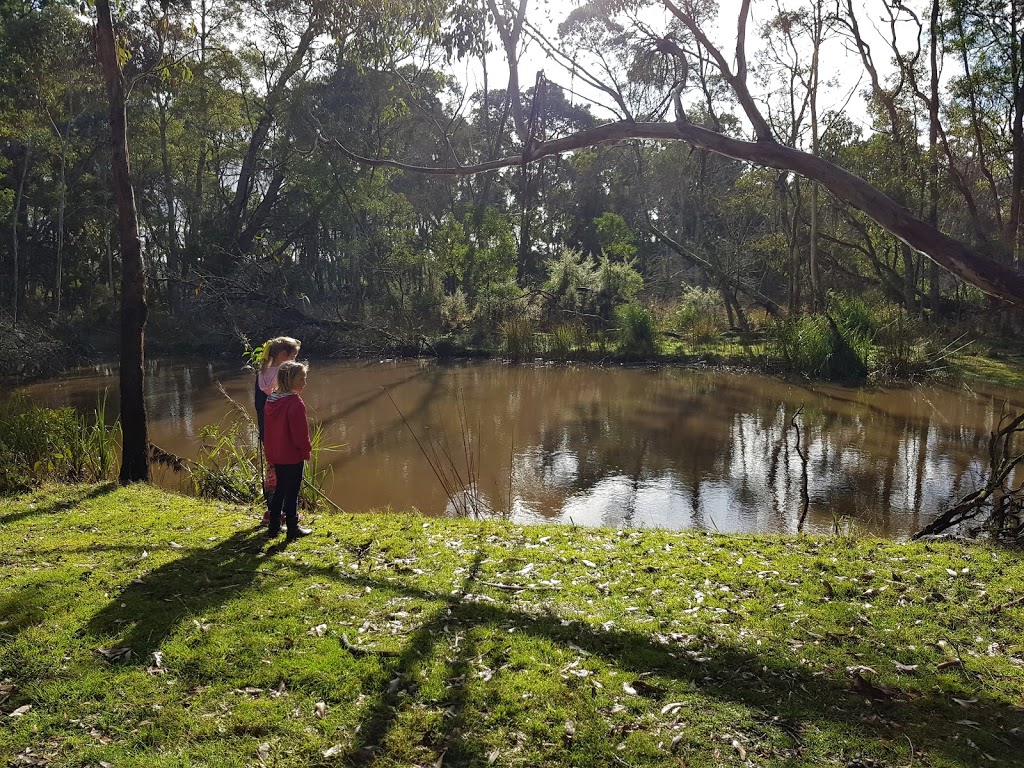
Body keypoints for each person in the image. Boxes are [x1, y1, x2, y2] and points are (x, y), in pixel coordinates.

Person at [263, 360, 314, 541]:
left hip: (277, 455)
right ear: (290, 379)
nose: (305, 382)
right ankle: (293, 528)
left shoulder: (270, 401)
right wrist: (306, 451)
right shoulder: (295, 403)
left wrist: (270, 454)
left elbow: (268, 432)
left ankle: (274, 527)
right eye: (302, 378)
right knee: (292, 493)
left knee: (280, 492)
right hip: (292, 456)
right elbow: (300, 433)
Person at [254, 336, 301, 526]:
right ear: (283, 355)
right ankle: (284, 514)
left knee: (273, 471)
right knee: (287, 475)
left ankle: (273, 512)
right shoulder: (281, 375)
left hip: (268, 433)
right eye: (294, 356)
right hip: (283, 435)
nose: (295, 361)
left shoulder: (262, 372)